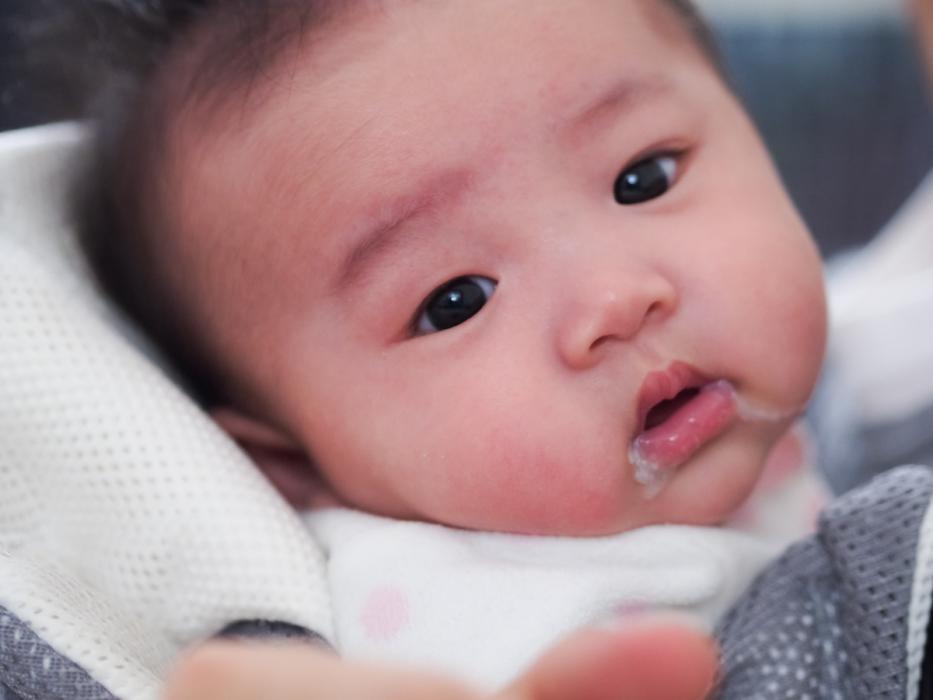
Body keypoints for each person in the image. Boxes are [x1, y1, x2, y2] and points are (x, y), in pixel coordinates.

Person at [75, 0, 933, 697]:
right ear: (293, 465)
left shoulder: (830, 376)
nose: (615, 298)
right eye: (455, 302)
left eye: (643, 178)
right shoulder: (470, 624)